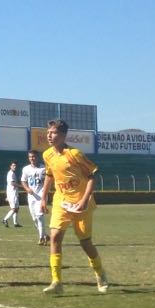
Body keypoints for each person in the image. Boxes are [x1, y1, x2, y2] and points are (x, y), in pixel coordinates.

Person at [40, 119, 108, 296]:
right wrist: (43, 197)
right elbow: (49, 175)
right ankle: (57, 282)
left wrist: (85, 199)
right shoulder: (47, 155)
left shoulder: (74, 154)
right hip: (60, 202)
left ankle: (100, 274)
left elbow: (92, 175)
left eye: (53, 132)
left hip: (80, 203)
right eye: (48, 132)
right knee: (54, 237)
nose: (49, 135)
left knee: (85, 242)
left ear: (63, 135)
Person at [21, 150, 49, 246]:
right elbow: (23, 181)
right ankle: (45, 235)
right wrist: (27, 189)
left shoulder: (44, 169)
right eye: (30, 157)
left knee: (39, 216)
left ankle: (41, 238)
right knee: (34, 219)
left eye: (33, 156)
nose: (32, 158)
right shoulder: (26, 169)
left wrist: (45, 194)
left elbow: (48, 181)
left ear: (37, 157)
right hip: (31, 196)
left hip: (41, 195)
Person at [1, 161, 22, 228]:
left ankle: (15, 223)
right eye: (13, 165)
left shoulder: (13, 173)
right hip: (12, 194)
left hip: (14, 193)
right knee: (13, 209)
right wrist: (22, 186)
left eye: (15, 165)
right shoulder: (10, 174)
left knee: (17, 208)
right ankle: (5, 219)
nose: (14, 167)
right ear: (10, 166)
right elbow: (12, 183)